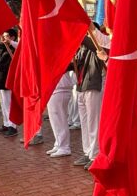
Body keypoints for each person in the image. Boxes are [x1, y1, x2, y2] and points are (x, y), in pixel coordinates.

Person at [71, 34, 107, 169]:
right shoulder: (81, 49)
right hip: (81, 87)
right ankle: (87, 152)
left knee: (93, 123)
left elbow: (92, 44)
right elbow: (75, 65)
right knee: (85, 123)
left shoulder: (96, 46)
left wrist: (81, 31)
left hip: (93, 86)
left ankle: (95, 155)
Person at [45, 69, 74, 158]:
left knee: (59, 119)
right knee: (55, 119)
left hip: (60, 87)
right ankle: (59, 143)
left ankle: (64, 147)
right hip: (55, 87)